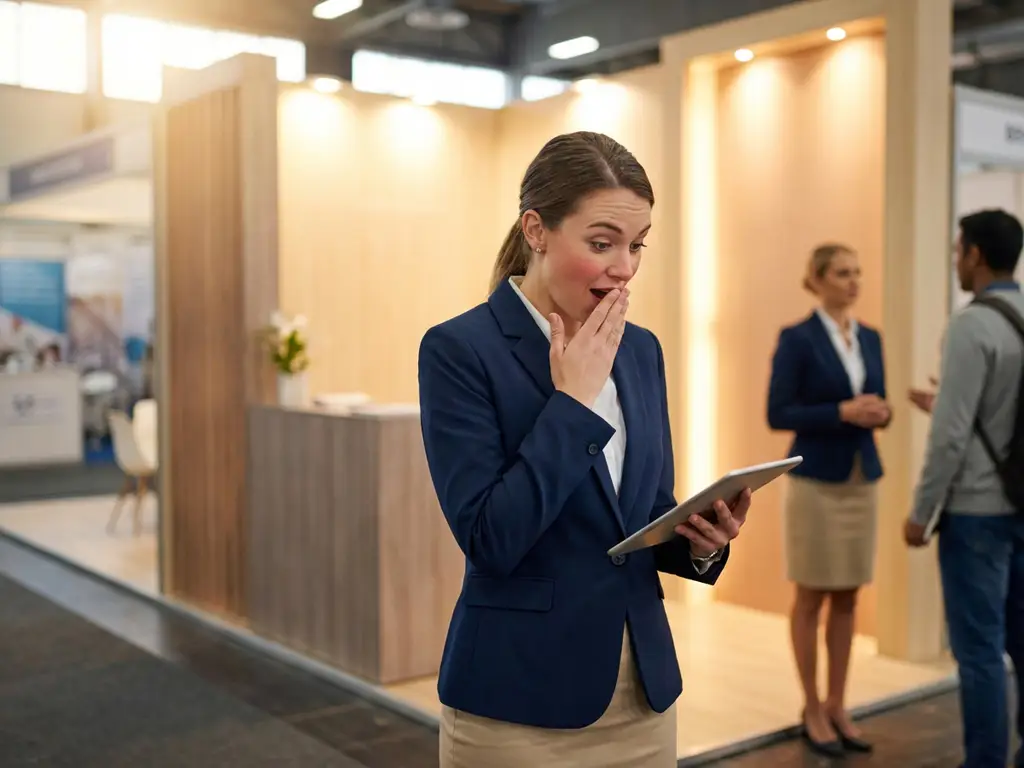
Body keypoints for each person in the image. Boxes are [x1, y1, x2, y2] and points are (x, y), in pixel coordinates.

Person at [417, 131, 751, 768]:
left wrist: (703, 543)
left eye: (637, 245)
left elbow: (647, 513)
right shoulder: (460, 350)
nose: (624, 266)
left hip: (642, 699)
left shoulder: (642, 349)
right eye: (601, 244)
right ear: (536, 231)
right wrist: (572, 404)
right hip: (516, 703)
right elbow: (491, 539)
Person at [906, 208, 1024, 768]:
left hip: (977, 511)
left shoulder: (972, 325)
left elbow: (951, 438)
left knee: (978, 653)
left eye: (958, 250)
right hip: (1021, 502)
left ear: (975, 255)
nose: (955, 259)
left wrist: (921, 513)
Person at [767, 243, 891, 757]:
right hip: (815, 482)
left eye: (857, 272)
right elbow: (779, 413)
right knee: (812, 596)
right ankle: (812, 706)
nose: (853, 281)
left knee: (849, 595)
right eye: (842, 273)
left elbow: (876, 402)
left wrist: (879, 413)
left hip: (862, 480)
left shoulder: (871, 337)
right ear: (816, 279)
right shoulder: (796, 338)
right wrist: (840, 411)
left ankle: (840, 703)